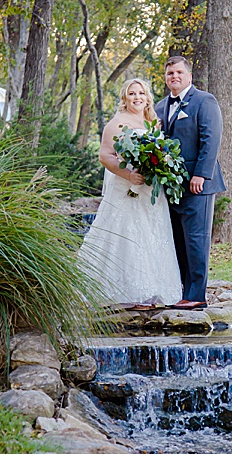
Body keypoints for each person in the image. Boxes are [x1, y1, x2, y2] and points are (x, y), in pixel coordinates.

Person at [76, 78, 182, 309]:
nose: (137, 97)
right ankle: (124, 290)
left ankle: (154, 288)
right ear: (125, 98)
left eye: (141, 93)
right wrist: (129, 176)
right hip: (126, 187)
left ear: (147, 97)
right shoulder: (117, 122)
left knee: (151, 233)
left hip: (150, 189)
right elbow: (105, 156)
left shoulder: (152, 122)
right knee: (127, 233)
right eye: (132, 94)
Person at [155, 56, 226, 310]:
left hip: (198, 184)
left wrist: (201, 174)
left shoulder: (204, 101)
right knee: (177, 240)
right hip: (170, 185)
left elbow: (211, 138)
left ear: (189, 76)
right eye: (169, 73)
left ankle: (196, 296)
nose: (174, 77)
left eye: (178, 73)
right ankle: (182, 291)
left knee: (196, 239)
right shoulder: (161, 106)